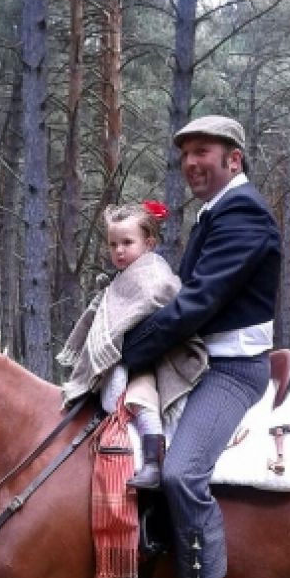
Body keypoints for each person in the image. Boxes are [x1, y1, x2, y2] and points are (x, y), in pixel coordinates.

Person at [120, 116, 281, 578]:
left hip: (230, 370)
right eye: (185, 153)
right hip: (195, 362)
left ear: (233, 159)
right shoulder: (214, 213)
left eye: (203, 151)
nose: (191, 162)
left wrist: (133, 348)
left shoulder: (243, 214)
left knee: (181, 473)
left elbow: (199, 302)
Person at [58, 201, 207, 489]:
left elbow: (159, 300)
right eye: (113, 244)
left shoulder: (153, 274)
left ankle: (153, 460)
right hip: (131, 357)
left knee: (139, 398)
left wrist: (126, 344)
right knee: (112, 392)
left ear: (148, 243)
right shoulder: (120, 280)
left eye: (127, 243)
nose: (119, 251)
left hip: (158, 360)